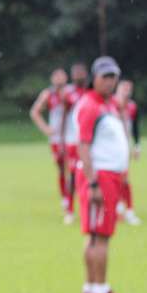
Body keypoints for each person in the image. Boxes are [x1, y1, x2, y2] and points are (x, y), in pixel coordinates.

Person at [75, 56, 129, 293]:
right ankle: (100, 289)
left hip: (111, 175)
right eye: (105, 76)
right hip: (101, 176)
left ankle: (91, 287)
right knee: (101, 236)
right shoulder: (90, 105)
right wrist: (93, 182)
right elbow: (83, 147)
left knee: (96, 235)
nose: (110, 81)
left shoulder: (108, 105)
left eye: (113, 77)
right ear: (94, 78)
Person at [29, 68, 70, 216]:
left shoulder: (71, 93)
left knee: (72, 168)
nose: (59, 79)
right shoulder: (48, 94)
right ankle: (65, 198)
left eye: (62, 76)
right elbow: (34, 112)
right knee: (61, 168)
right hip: (56, 139)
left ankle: (70, 199)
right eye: (56, 76)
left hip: (71, 137)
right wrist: (46, 129)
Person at [60, 62, 89, 224]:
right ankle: (70, 210)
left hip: (88, 140)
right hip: (72, 140)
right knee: (72, 175)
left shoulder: (92, 91)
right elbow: (64, 117)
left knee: (91, 173)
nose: (78, 76)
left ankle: (92, 207)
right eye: (75, 73)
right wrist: (63, 141)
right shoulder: (68, 93)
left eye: (80, 73)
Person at [114, 78, 142, 225]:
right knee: (115, 178)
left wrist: (136, 146)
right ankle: (118, 208)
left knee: (123, 178)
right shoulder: (111, 104)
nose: (126, 92)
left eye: (129, 89)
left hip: (123, 148)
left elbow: (135, 128)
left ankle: (128, 210)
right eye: (124, 88)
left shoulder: (132, 107)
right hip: (110, 148)